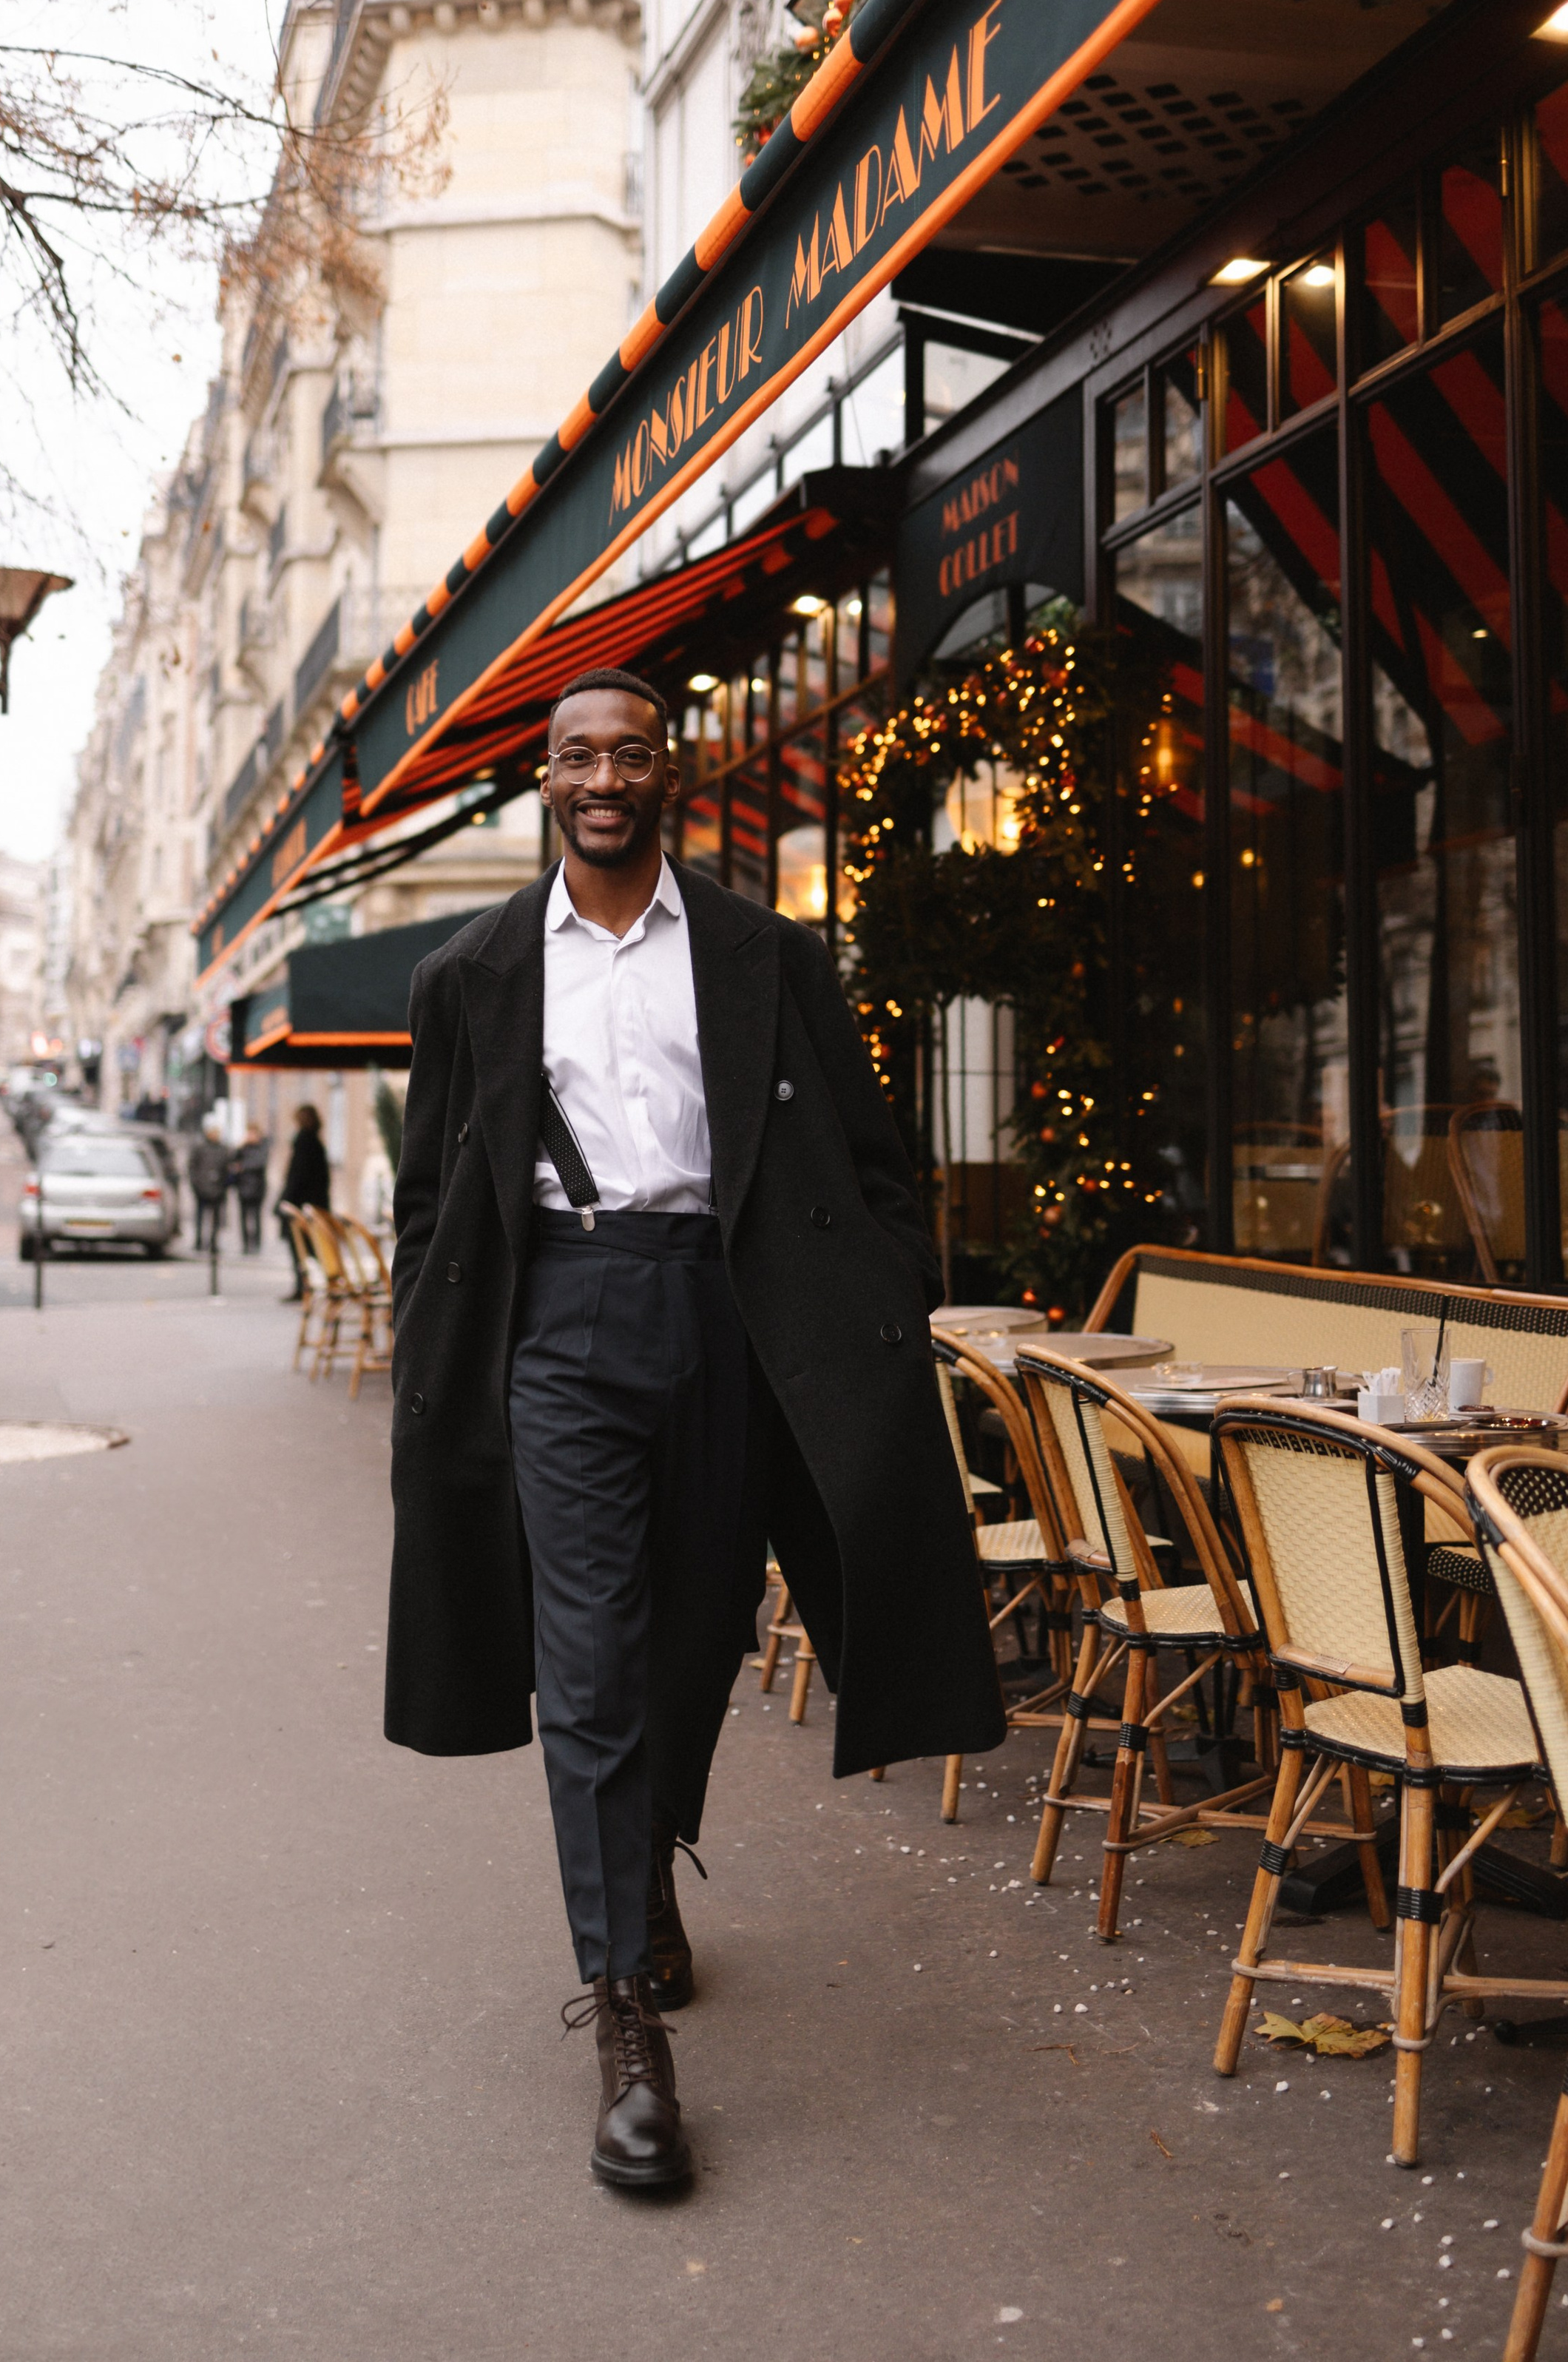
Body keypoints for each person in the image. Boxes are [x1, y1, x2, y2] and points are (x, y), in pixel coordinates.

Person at [385, 667, 1002, 2193]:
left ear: (672, 772)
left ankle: (644, 1859)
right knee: (585, 1655)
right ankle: (621, 2023)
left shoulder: (763, 953)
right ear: (544, 779)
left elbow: (870, 1156)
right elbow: (427, 1194)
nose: (604, 776)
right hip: (559, 1323)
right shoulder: (471, 973)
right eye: (576, 755)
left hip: (733, 1315)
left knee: (699, 1629)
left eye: (631, 753)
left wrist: (871, 1296)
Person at [275, 1104, 331, 1298]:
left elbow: (296, 1176)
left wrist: (284, 1201)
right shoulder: (316, 1143)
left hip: (301, 1206)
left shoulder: (304, 1142)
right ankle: (322, 1282)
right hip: (314, 1205)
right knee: (313, 1248)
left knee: (301, 1248)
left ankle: (305, 1286)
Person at [186, 1118, 232, 1254]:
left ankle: (214, 1242)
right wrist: (196, 1184)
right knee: (200, 1217)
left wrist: (224, 1185)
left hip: (218, 1189)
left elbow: (228, 1169)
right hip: (202, 1188)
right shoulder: (200, 1148)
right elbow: (192, 1167)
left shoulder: (224, 1149)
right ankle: (199, 1241)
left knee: (216, 1219)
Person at [232, 1123, 269, 1254]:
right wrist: (240, 1147)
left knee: (257, 1217)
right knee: (243, 1217)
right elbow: (233, 1161)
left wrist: (243, 1167)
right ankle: (246, 1244)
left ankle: (256, 1244)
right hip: (243, 1187)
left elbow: (260, 1163)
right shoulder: (243, 1148)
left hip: (258, 1188)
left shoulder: (263, 1147)